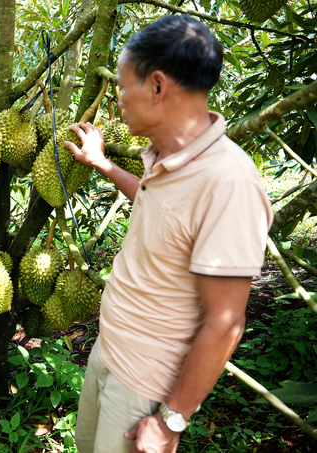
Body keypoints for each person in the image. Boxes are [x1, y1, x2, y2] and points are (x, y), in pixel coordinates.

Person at [63, 15, 273, 453]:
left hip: (145, 382)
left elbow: (226, 321)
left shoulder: (228, 181)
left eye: (124, 87)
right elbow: (159, 205)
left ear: (158, 86)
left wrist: (171, 419)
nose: (119, 100)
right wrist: (102, 164)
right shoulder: (165, 158)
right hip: (108, 352)